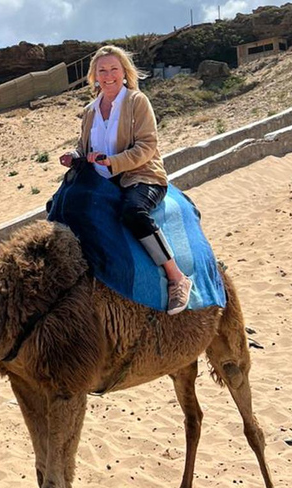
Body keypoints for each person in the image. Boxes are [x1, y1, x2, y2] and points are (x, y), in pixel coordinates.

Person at [59, 45, 192, 315]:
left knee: (133, 213)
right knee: (59, 205)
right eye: (102, 70)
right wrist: (75, 156)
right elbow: (85, 148)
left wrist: (113, 162)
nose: (108, 75)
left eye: (113, 69)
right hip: (102, 181)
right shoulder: (90, 111)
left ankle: (176, 277)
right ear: (94, 75)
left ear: (124, 73)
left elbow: (147, 146)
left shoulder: (136, 102)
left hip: (140, 175)